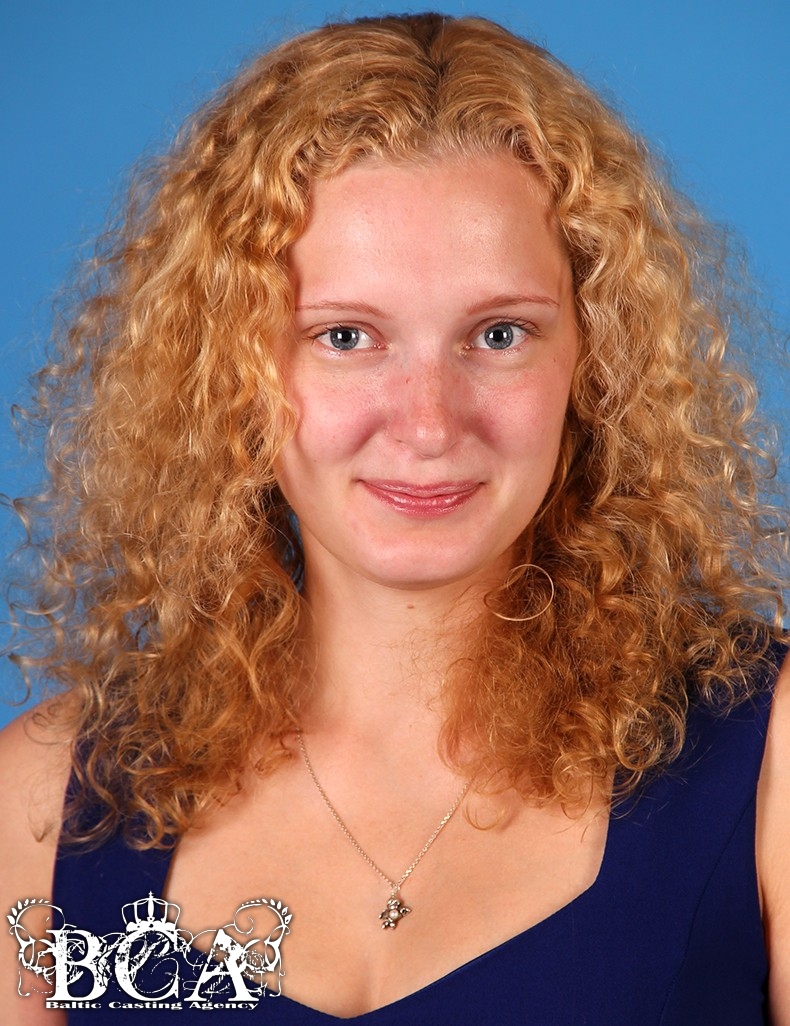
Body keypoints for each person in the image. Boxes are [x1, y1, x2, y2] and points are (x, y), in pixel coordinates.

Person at [1, 11, 788, 1024]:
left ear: (595, 360)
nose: (427, 423)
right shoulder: (36, 803)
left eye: (498, 334)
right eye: (345, 337)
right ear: (229, 371)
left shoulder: (770, 761)